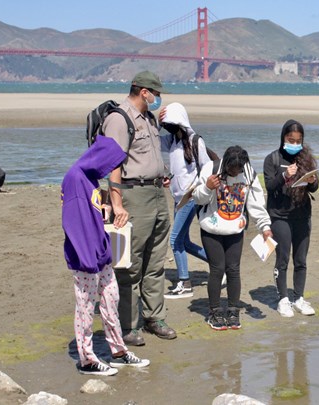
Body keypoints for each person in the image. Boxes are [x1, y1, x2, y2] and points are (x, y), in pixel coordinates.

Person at [61, 135, 150, 376]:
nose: (110, 170)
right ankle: (87, 360)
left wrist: (108, 207)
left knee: (111, 302)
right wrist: (87, 259)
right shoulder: (75, 178)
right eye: (110, 165)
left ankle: (118, 352)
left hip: (101, 254)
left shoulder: (90, 179)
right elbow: (72, 222)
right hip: (85, 259)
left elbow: (93, 212)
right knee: (86, 307)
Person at [103, 71, 176, 345]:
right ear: (144, 91)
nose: (158, 98)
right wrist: (117, 203)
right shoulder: (118, 119)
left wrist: (163, 173)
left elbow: (150, 155)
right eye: (156, 94)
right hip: (133, 196)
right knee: (129, 264)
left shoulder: (149, 119)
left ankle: (154, 317)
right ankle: (127, 325)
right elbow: (112, 164)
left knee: (155, 261)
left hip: (156, 194)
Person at [192, 145, 273, 330]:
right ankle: (214, 312)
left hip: (236, 229)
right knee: (217, 269)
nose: (235, 172)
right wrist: (207, 188)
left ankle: (233, 310)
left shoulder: (248, 173)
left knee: (234, 270)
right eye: (231, 169)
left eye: (238, 169)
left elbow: (256, 202)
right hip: (211, 229)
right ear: (225, 163)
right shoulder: (210, 169)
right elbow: (197, 198)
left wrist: (265, 226)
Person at [263, 119, 319, 317]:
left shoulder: (306, 158)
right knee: (283, 258)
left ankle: (299, 298)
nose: (294, 144)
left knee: (301, 259)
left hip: (302, 215)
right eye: (290, 140)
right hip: (280, 216)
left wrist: (311, 181)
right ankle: (283, 299)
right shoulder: (272, 159)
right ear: (283, 138)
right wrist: (285, 175)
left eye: (298, 140)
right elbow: (269, 186)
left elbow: (314, 187)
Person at [160, 103, 210, 299]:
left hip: (190, 197)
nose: (169, 127)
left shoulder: (196, 141)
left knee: (174, 240)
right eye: (166, 125)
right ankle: (218, 265)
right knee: (184, 242)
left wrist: (196, 189)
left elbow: (206, 168)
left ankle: (184, 283)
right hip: (177, 198)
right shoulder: (171, 141)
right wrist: (157, 122)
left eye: (171, 123)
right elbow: (153, 140)